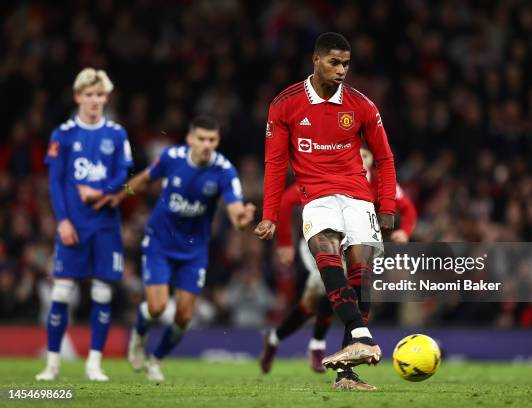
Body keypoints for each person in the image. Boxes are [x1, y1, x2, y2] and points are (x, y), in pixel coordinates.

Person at [254, 32, 397, 391]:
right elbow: (274, 163)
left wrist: (388, 205)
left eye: (346, 64)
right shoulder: (285, 105)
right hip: (316, 197)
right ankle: (362, 337)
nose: (341, 70)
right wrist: (269, 215)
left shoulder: (362, 105)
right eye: (335, 62)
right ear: (316, 60)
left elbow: (384, 157)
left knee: (361, 277)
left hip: (358, 197)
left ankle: (346, 373)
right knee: (327, 258)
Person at [104, 115, 255, 381]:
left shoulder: (224, 171)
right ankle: (139, 336)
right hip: (160, 242)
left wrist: (242, 220)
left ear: (217, 141)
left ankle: (156, 359)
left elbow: (235, 212)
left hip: (194, 250)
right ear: (190, 139)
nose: (207, 145)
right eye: (201, 139)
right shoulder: (171, 157)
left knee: (184, 316)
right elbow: (145, 179)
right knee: (158, 307)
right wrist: (120, 194)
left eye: (212, 140)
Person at [260, 148, 417, 375]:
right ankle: (319, 346)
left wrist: (405, 231)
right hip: (320, 241)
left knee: (326, 298)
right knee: (329, 288)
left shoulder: (381, 181)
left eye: (365, 156)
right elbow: (286, 201)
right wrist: (284, 243)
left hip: (351, 243)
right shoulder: (329, 175)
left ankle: (278, 339)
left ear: (372, 159)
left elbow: (408, 208)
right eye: (357, 154)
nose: (360, 160)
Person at [37, 68, 134, 381]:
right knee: (62, 293)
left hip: (106, 226)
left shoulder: (117, 135)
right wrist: (62, 221)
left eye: (99, 95)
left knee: (103, 293)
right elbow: (55, 183)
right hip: (74, 225)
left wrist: (101, 191)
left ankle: (94, 364)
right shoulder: (62, 135)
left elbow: (125, 178)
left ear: (106, 97)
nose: (94, 100)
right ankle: (52, 364)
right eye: (88, 95)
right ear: (78, 96)